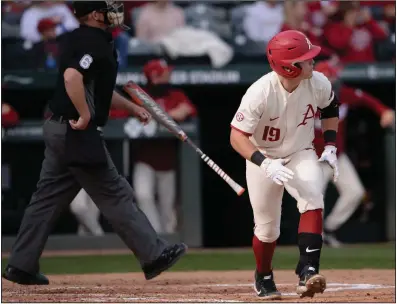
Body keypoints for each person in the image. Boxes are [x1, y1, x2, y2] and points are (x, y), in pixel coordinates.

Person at [2, 1, 187, 286]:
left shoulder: (91, 38)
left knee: (45, 201)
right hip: (76, 131)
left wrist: (130, 107)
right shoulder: (91, 41)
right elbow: (72, 77)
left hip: (60, 128)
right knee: (115, 193)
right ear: (93, 14)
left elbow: (96, 88)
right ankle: (154, 255)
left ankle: (21, 265)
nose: (114, 11)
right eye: (107, 8)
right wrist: (86, 113)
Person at [230, 30, 339, 299]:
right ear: (289, 67)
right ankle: (263, 275)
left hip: (300, 151)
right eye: (305, 58)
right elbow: (236, 136)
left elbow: (331, 107)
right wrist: (263, 163)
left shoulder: (317, 82)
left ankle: (308, 271)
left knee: (313, 197)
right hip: (262, 156)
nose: (312, 61)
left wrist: (331, 144)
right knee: (267, 229)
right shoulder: (260, 92)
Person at [313, 60, 395, 247]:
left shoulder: (344, 94)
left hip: (336, 156)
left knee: (355, 192)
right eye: (328, 77)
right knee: (314, 199)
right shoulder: (305, 100)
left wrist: (383, 111)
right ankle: (314, 237)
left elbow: (367, 100)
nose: (333, 80)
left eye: (333, 76)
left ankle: (330, 229)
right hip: (314, 158)